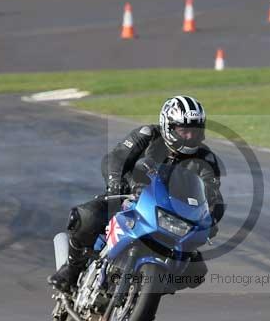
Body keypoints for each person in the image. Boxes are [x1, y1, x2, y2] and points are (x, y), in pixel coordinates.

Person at [48, 95, 225, 292]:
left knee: (196, 271)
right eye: (184, 130)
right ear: (169, 127)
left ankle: (146, 291)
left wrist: (210, 220)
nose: (190, 136)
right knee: (87, 217)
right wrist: (116, 183)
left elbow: (213, 194)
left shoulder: (206, 158)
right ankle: (71, 269)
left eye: (195, 130)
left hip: (172, 216)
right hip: (128, 198)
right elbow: (116, 158)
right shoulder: (148, 135)